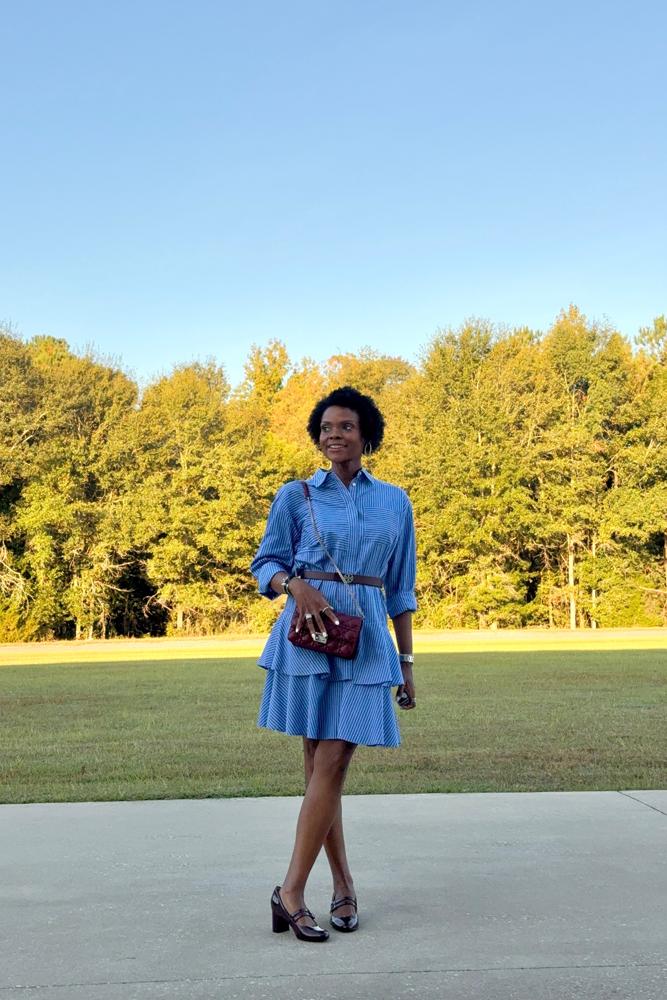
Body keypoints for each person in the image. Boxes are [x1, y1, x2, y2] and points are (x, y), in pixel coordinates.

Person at [250, 385, 417, 943]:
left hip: (365, 641)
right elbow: (265, 563)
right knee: (322, 770)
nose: (334, 435)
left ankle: (290, 891)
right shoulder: (296, 496)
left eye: (345, 426)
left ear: (366, 434)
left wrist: (407, 661)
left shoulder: (395, 502)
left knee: (334, 761)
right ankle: (339, 886)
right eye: (325, 428)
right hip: (307, 635)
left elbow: (401, 589)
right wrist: (294, 585)